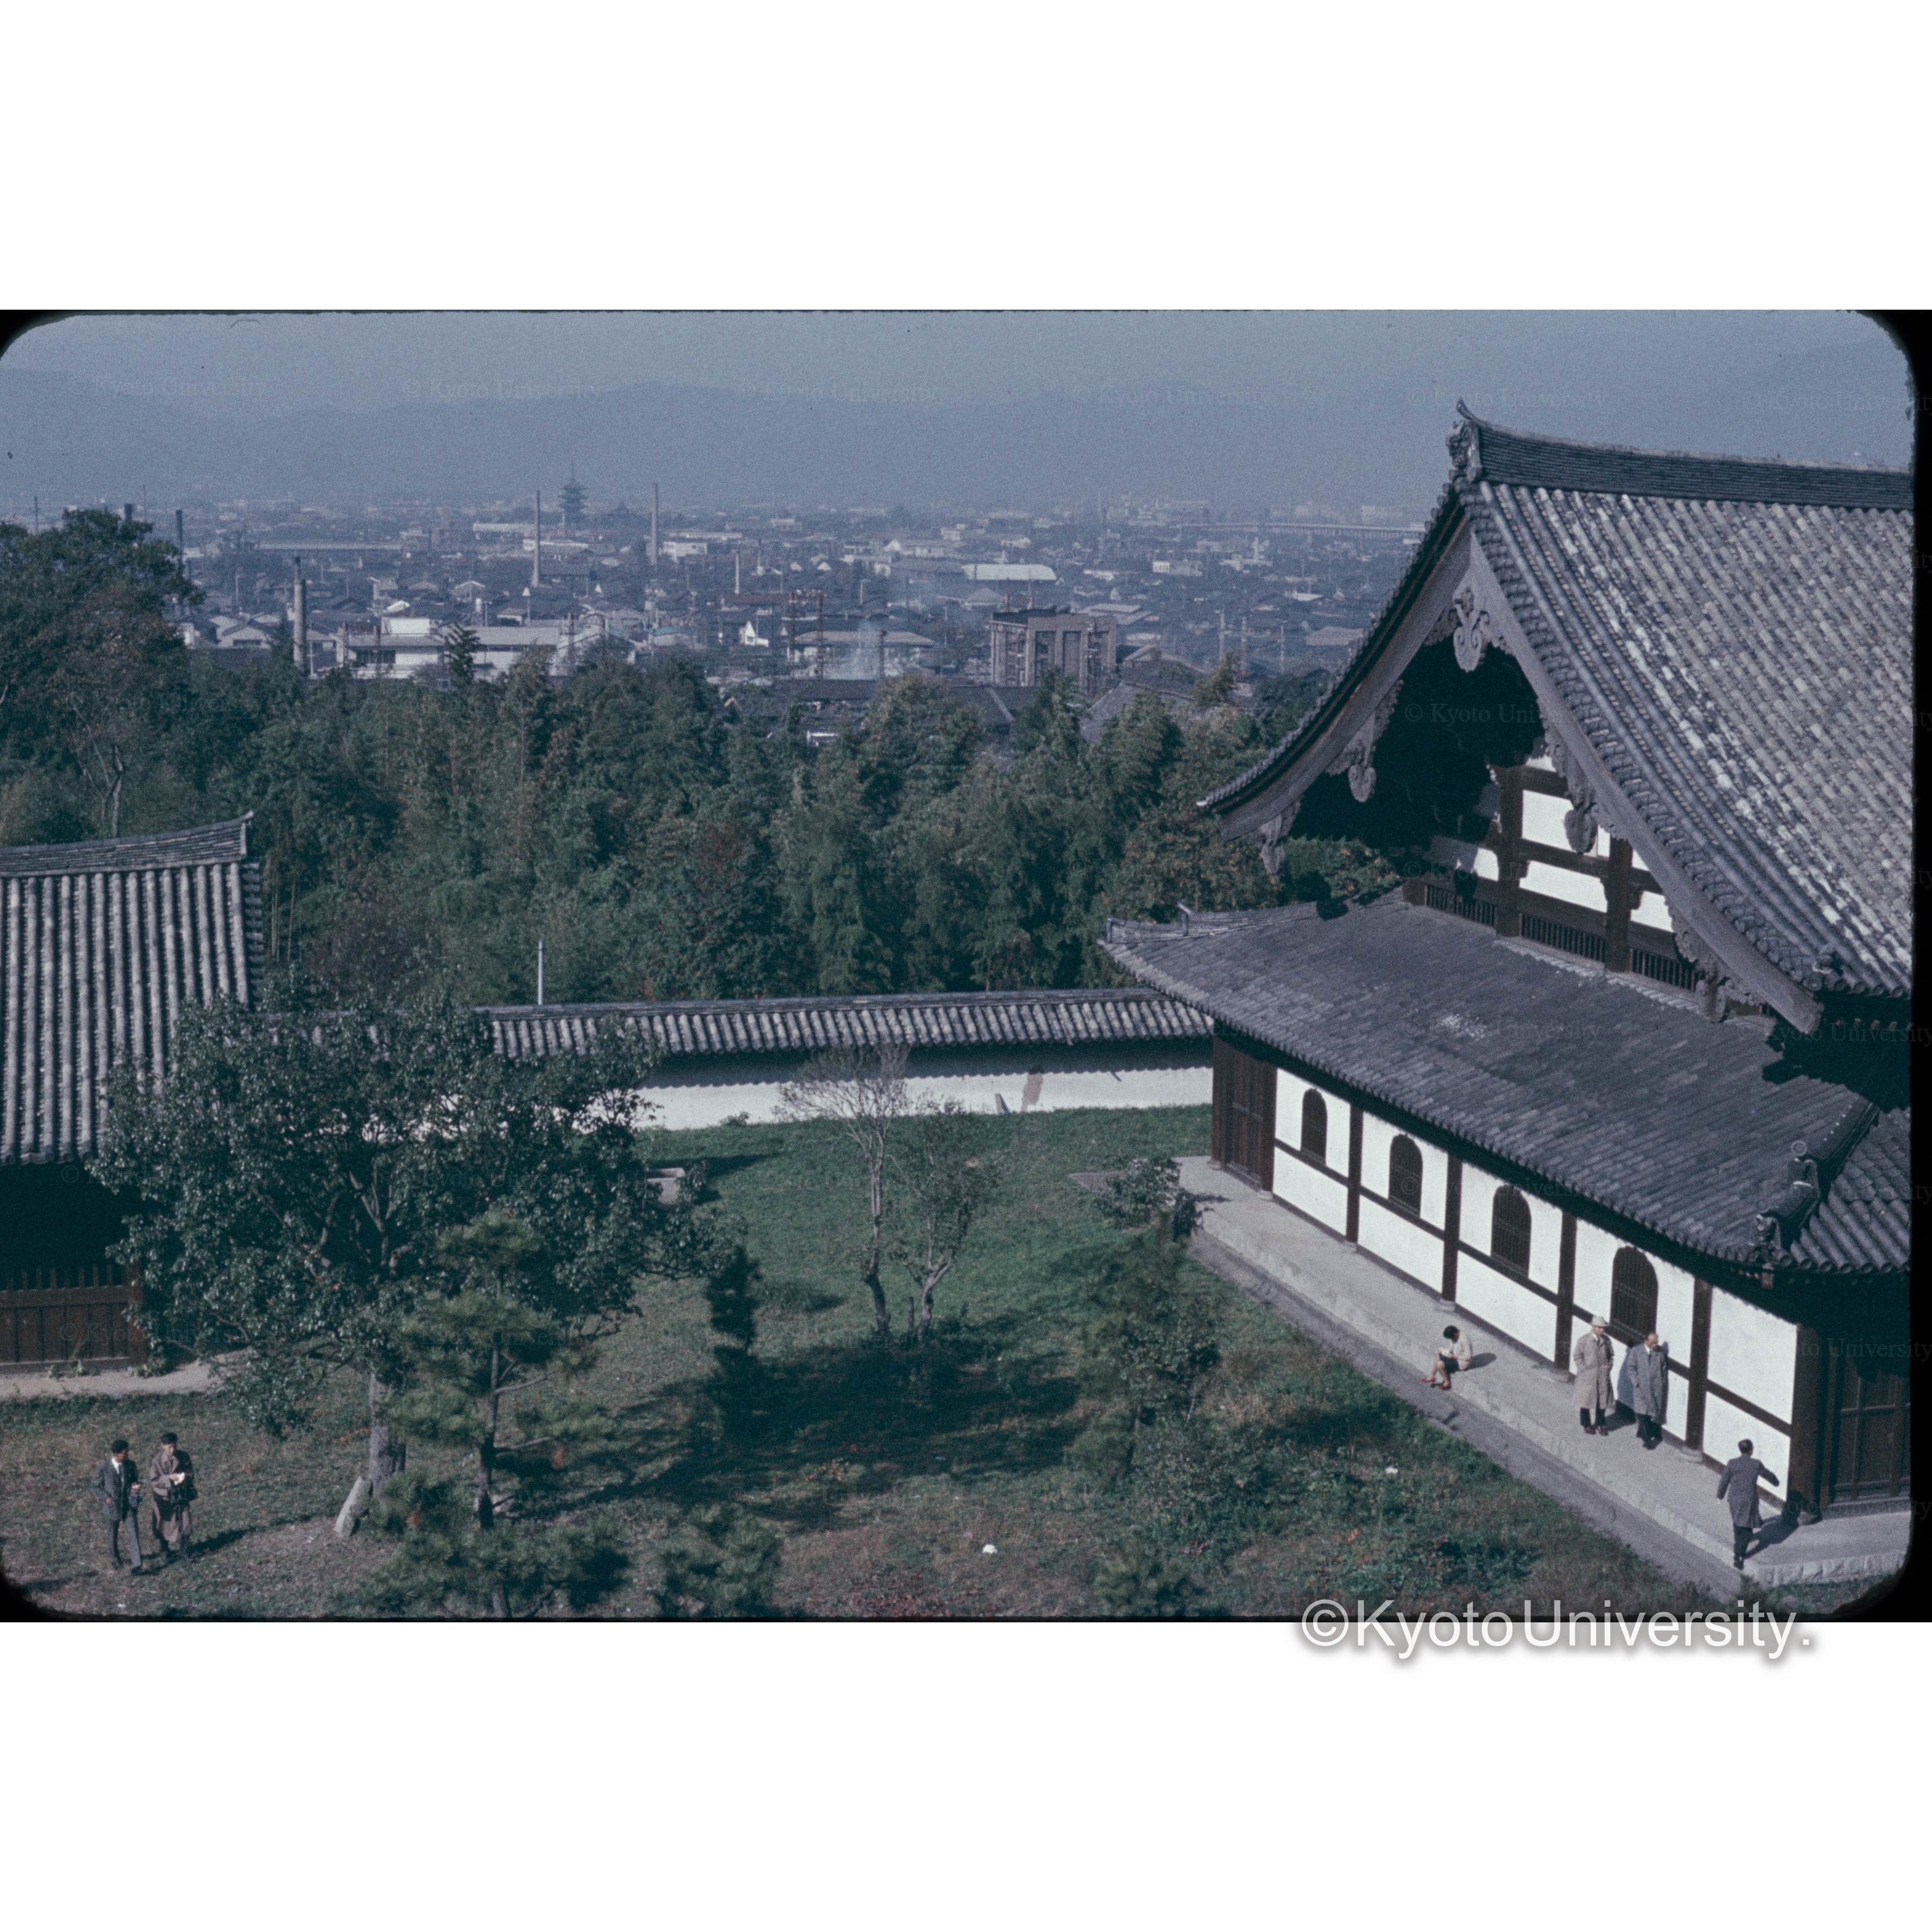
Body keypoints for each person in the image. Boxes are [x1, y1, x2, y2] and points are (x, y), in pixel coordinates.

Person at [1717, 1439, 1780, 1570]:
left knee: (1737, 1521)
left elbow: (1724, 1481)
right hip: (1748, 1500)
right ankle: (1738, 1555)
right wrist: (1776, 1482)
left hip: (1734, 1498)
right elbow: (1768, 1475)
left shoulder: (1732, 1463)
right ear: (1751, 1450)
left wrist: (1720, 1495)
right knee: (1747, 1529)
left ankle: (1738, 1544)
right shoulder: (1756, 1464)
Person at [89, 1438, 145, 1574]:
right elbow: (94, 1485)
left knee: (133, 1533)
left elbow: (135, 1480)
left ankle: (137, 1566)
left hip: (129, 1506)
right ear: (116, 1454)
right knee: (112, 1534)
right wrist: (106, 1497)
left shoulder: (131, 1465)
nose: (127, 1456)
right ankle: (115, 1559)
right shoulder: (104, 1468)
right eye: (124, 1453)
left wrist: (136, 1486)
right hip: (112, 1507)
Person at [147, 1432, 196, 1564]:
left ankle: (185, 1550)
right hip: (165, 1499)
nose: (172, 1450)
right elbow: (154, 1480)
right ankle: (165, 1550)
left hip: (181, 1495)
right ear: (163, 1446)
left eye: (174, 1446)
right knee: (165, 1525)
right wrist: (169, 1478)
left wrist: (184, 1477)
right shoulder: (156, 1461)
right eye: (169, 1447)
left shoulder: (184, 1456)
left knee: (186, 1524)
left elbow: (191, 1473)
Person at [1627, 1330, 1670, 1450]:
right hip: (1641, 1388)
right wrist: (1636, 1382)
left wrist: (1662, 1382)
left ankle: (1642, 1432)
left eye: (1656, 1343)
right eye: (1651, 1343)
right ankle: (1647, 1439)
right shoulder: (1637, 1351)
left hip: (1655, 1389)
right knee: (1641, 1413)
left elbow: (1664, 1368)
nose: (1654, 1345)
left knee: (1649, 1413)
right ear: (1645, 1341)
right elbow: (1631, 1368)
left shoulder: (1659, 1352)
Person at [1573, 1316, 1614, 1435]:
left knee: (1602, 1402)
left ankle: (1601, 1424)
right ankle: (1586, 1424)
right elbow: (1577, 1356)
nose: (1602, 1330)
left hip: (1602, 1376)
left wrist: (1608, 1368)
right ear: (1593, 1327)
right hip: (1587, 1376)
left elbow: (1611, 1355)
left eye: (1603, 1328)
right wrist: (1583, 1370)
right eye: (1599, 1328)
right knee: (1585, 1402)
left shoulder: (1607, 1341)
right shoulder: (1584, 1340)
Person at [1423, 1324, 1473, 1389]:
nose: (1451, 1340)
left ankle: (1447, 1382)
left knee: (1440, 1364)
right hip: (1453, 1357)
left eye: (1451, 1338)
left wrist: (1455, 1357)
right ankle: (1432, 1376)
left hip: (1461, 1362)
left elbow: (1468, 1356)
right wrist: (1444, 1352)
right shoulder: (1455, 1337)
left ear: (1455, 1334)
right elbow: (1451, 1348)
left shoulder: (1464, 1340)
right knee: (1438, 1356)